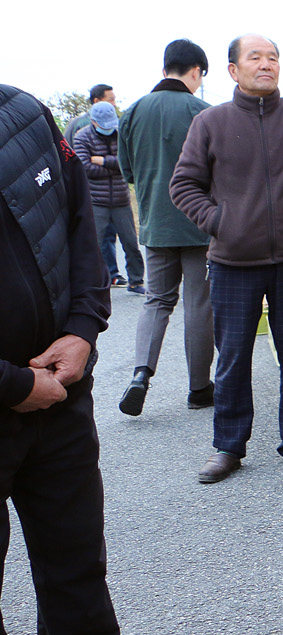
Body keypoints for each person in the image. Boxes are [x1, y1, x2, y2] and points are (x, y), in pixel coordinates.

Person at [0, 84, 166, 635]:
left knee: (73, 537)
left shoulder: (27, 115)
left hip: (62, 384)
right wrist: (11, 385)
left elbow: (79, 223)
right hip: (12, 387)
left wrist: (84, 330)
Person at [169, 34, 283, 484]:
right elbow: (183, 186)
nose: (267, 64)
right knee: (233, 355)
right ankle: (229, 446)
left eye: (273, 58)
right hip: (233, 260)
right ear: (233, 70)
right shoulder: (211, 123)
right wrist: (222, 222)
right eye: (254, 57)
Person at [117, 40, 214, 416]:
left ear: (165, 68)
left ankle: (141, 374)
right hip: (198, 224)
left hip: (155, 224)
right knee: (198, 304)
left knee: (156, 300)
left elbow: (126, 171)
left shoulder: (133, 112)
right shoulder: (202, 112)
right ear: (196, 72)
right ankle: (199, 388)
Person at [71, 98, 146, 295]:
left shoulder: (121, 134)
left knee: (131, 243)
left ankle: (136, 281)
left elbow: (129, 162)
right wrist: (115, 166)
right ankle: (92, 283)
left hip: (121, 200)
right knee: (93, 245)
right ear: (93, 122)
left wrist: (103, 161)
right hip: (96, 201)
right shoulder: (82, 137)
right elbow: (84, 167)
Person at [66, 86, 121, 285]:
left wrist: (105, 161)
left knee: (108, 235)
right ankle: (102, 275)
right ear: (97, 102)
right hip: (90, 191)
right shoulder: (79, 125)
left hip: (115, 192)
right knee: (99, 236)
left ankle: (111, 274)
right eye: (111, 99)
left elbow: (125, 162)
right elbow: (77, 160)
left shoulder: (115, 126)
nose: (114, 103)